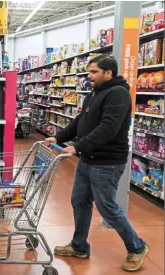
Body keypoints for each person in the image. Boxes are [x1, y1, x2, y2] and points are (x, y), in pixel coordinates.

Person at [44, 54, 148, 272]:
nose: (89, 76)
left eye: (94, 72)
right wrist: (59, 137)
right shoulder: (93, 94)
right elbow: (80, 121)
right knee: (79, 201)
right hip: (88, 159)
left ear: (108, 73)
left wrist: (79, 146)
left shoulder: (118, 94)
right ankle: (79, 246)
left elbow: (108, 128)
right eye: (89, 72)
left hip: (108, 162)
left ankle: (137, 247)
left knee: (107, 207)